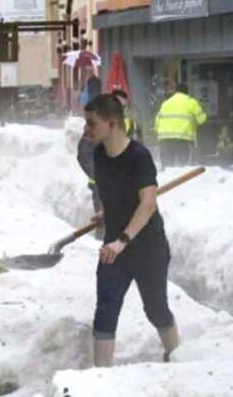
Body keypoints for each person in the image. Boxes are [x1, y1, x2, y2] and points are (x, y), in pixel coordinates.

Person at [84, 94, 179, 367]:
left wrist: (121, 241)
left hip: (147, 247)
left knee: (156, 309)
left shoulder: (139, 156)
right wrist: (108, 212)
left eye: (91, 123)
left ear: (111, 124)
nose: (86, 130)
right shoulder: (99, 153)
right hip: (115, 247)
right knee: (106, 309)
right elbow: (115, 191)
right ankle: (100, 376)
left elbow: (148, 204)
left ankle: (175, 356)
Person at [77, 88, 141, 239]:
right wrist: (99, 174)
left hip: (128, 185)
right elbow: (84, 154)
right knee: (105, 224)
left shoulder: (131, 125)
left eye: (123, 107)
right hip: (102, 187)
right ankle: (100, 249)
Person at [155, 82, 207, 168]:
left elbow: (157, 123)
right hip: (183, 139)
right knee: (183, 168)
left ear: (176, 91)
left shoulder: (165, 103)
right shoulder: (191, 102)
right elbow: (202, 119)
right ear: (187, 91)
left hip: (165, 139)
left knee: (167, 168)